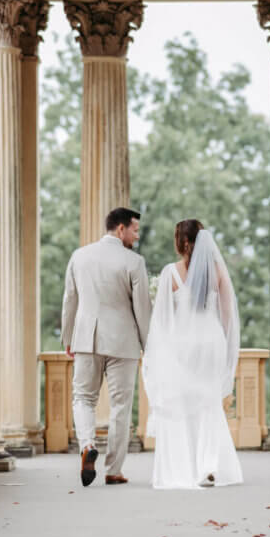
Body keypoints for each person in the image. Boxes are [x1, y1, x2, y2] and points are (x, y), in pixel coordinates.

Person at [142, 219, 243, 489]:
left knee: (183, 404)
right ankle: (208, 465)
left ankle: (185, 466)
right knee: (208, 403)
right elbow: (227, 316)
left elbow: (161, 320)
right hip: (211, 342)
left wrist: (157, 354)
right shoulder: (217, 272)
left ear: (181, 243)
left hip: (183, 344)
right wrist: (222, 342)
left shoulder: (169, 274)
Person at [61, 207, 151, 487]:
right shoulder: (134, 262)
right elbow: (142, 309)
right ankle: (114, 469)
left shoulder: (80, 256)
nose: (137, 236)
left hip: (87, 339)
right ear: (121, 229)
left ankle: (87, 445)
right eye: (135, 230)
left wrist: (67, 338)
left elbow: (70, 300)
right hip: (123, 342)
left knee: (83, 398)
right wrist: (149, 346)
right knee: (121, 406)